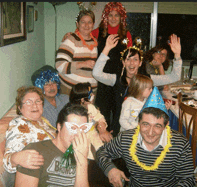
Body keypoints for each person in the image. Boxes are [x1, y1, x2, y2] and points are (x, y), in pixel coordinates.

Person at [96, 86, 195, 187]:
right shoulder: (126, 139)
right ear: (139, 122)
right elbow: (101, 152)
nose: (150, 132)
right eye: (146, 124)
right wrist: (110, 169)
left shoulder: (180, 143)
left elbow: (188, 180)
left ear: (166, 125)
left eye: (157, 126)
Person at [92, 33, 182, 136]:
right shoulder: (116, 79)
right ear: (123, 63)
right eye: (128, 59)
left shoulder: (147, 80)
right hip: (121, 130)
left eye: (135, 59)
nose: (131, 63)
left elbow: (174, 77)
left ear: (140, 63)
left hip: (143, 132)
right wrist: (106, 49)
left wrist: (177, 55)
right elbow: (96, 73)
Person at [15, 104, 90, 187]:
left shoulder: (82, 152)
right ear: (59, 127)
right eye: (73, 128)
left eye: (83, 129)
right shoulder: (35, 151)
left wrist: (82, 160)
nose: (78, 135)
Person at [2, 86, 57, 187]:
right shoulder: (19, 123)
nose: (34, 105)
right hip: (38, 179)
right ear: (20, 108)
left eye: (38, 101)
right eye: (28, 102)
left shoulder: (43, 121)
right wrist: (16, 158)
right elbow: (8, 159)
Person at [93, 2, 132, 133]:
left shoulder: (127, 34)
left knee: (118, 112)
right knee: (102, 112)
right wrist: (71, 34)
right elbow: (82, 34)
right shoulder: (97, 32)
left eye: (117, 15)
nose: (113, 18)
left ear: (121, 18)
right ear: (106, 16)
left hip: (119, 80)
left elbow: (130, 56)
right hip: (102, 77)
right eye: (111, 15)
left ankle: (115, 142)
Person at [56, 9, 98, 95]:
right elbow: (59, 65)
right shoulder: (70, 40)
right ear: (77, 24)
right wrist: (83, 64)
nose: (86, 25)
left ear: (93, 25)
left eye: (89, 22)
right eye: (83, 22)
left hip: (90, 92)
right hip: (71, 91)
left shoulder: (95, 42)